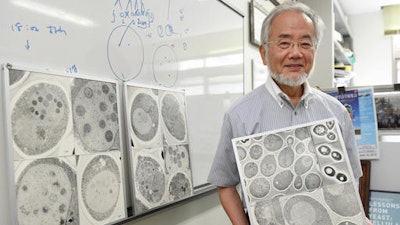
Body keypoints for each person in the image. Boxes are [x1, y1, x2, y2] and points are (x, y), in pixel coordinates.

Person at [207, 2, 373, 225]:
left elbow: (351, 180)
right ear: (264, 53)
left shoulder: (337, 113)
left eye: (305, 43)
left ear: (314, 50)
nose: (295, 53)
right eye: (284, 43)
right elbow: (225, 183)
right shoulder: (240, 115)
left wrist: (359, 219)